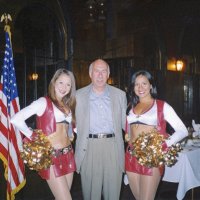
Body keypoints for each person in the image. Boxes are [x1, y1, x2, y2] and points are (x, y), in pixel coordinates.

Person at [11, 68, 76, 200]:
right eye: (61, 83)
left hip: (68, 155)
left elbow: (71, 128)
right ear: (54, 83)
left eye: (68, 84)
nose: (64, 87)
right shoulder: (43, 102)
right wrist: (33, 136)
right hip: (52, 158)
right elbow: (16, 119)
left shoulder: (67, 105)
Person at [125, 70, 188, 200]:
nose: (140, 87)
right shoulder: (130, 107)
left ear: (151, 85)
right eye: (137, 84)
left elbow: (182, 131)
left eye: (144, 83)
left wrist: (164, 144)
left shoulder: (162, 106)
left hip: (151, 159)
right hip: (130, 157)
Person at [75, 59, 127, 200]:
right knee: (91, 193)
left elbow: (126, 124)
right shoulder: (77, 96)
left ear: (108, 74)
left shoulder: (120, 95)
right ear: (90, 74)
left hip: (113, 147)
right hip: (89, 147)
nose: (100, 75)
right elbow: (68, 122)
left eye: (103, 71)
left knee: (113, 192)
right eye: (96, 71)